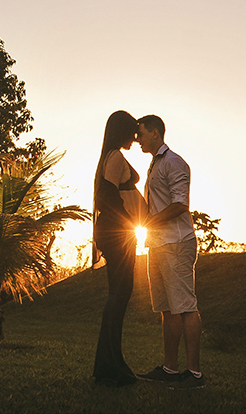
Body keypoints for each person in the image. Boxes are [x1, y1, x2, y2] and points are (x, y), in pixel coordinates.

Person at [136, 114, 204, 388]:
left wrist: (148, 222)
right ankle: (170, 369)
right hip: (157, 243)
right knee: (167, 309)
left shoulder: (174, 162)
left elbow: (180, 205)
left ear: (155, 132)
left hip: (176, 243)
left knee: (185, 307)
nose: (137, 139)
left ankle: (194, 374)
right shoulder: (155, 164)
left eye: (141, 134)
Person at [92, 110, 145, 386]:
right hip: (117, 234)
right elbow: (107, 196)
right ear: (121, 131)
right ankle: (109, 365)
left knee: (120, 295)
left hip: (119, 233)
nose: (135, 139)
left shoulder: (113, 156)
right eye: (132, 133)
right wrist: (127, 222)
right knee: (118, 295)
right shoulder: (114, 157)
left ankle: (112, 363)